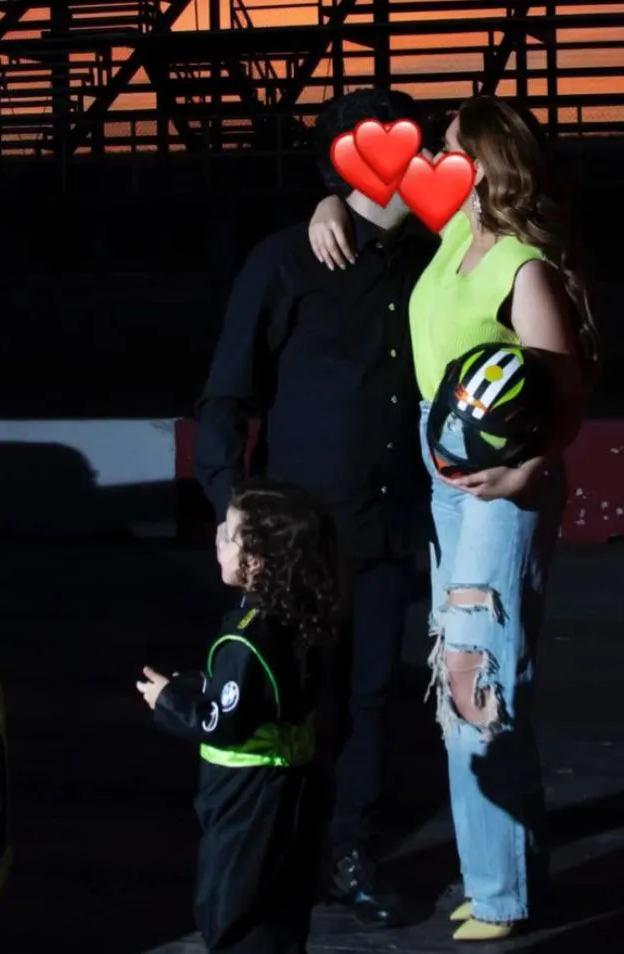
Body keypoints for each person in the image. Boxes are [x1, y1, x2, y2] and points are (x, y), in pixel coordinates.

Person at [306, 95, 599, 941]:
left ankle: (500, 897)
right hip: (445, 486)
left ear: (487, 161)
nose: (433, 156)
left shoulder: (519, 263)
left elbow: (566, 391)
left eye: (449, 146)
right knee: (470, 681)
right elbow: (363, 199)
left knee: (474, 685)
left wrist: (527, 471)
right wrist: (326, 200)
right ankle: (512, 871)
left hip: (497, 490)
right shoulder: (444, 238)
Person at [193, 87, 444, 927]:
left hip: (384, 524)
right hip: (296, 532)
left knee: (369, 698)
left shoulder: (431, 261)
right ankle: (270, 845)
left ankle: (349, 849)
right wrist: (236, 510)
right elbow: (226, 396)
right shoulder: (282, 261)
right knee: (282, 697)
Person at [137, 480, 341, 954]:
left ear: (257, 559)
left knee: (231, 911)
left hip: (248, 801)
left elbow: (222, 722)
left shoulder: (246, 640)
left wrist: (169, 699)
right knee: (282, 909)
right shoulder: (297, 616)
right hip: (294, 790)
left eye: (229, 535)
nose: (217, 539)